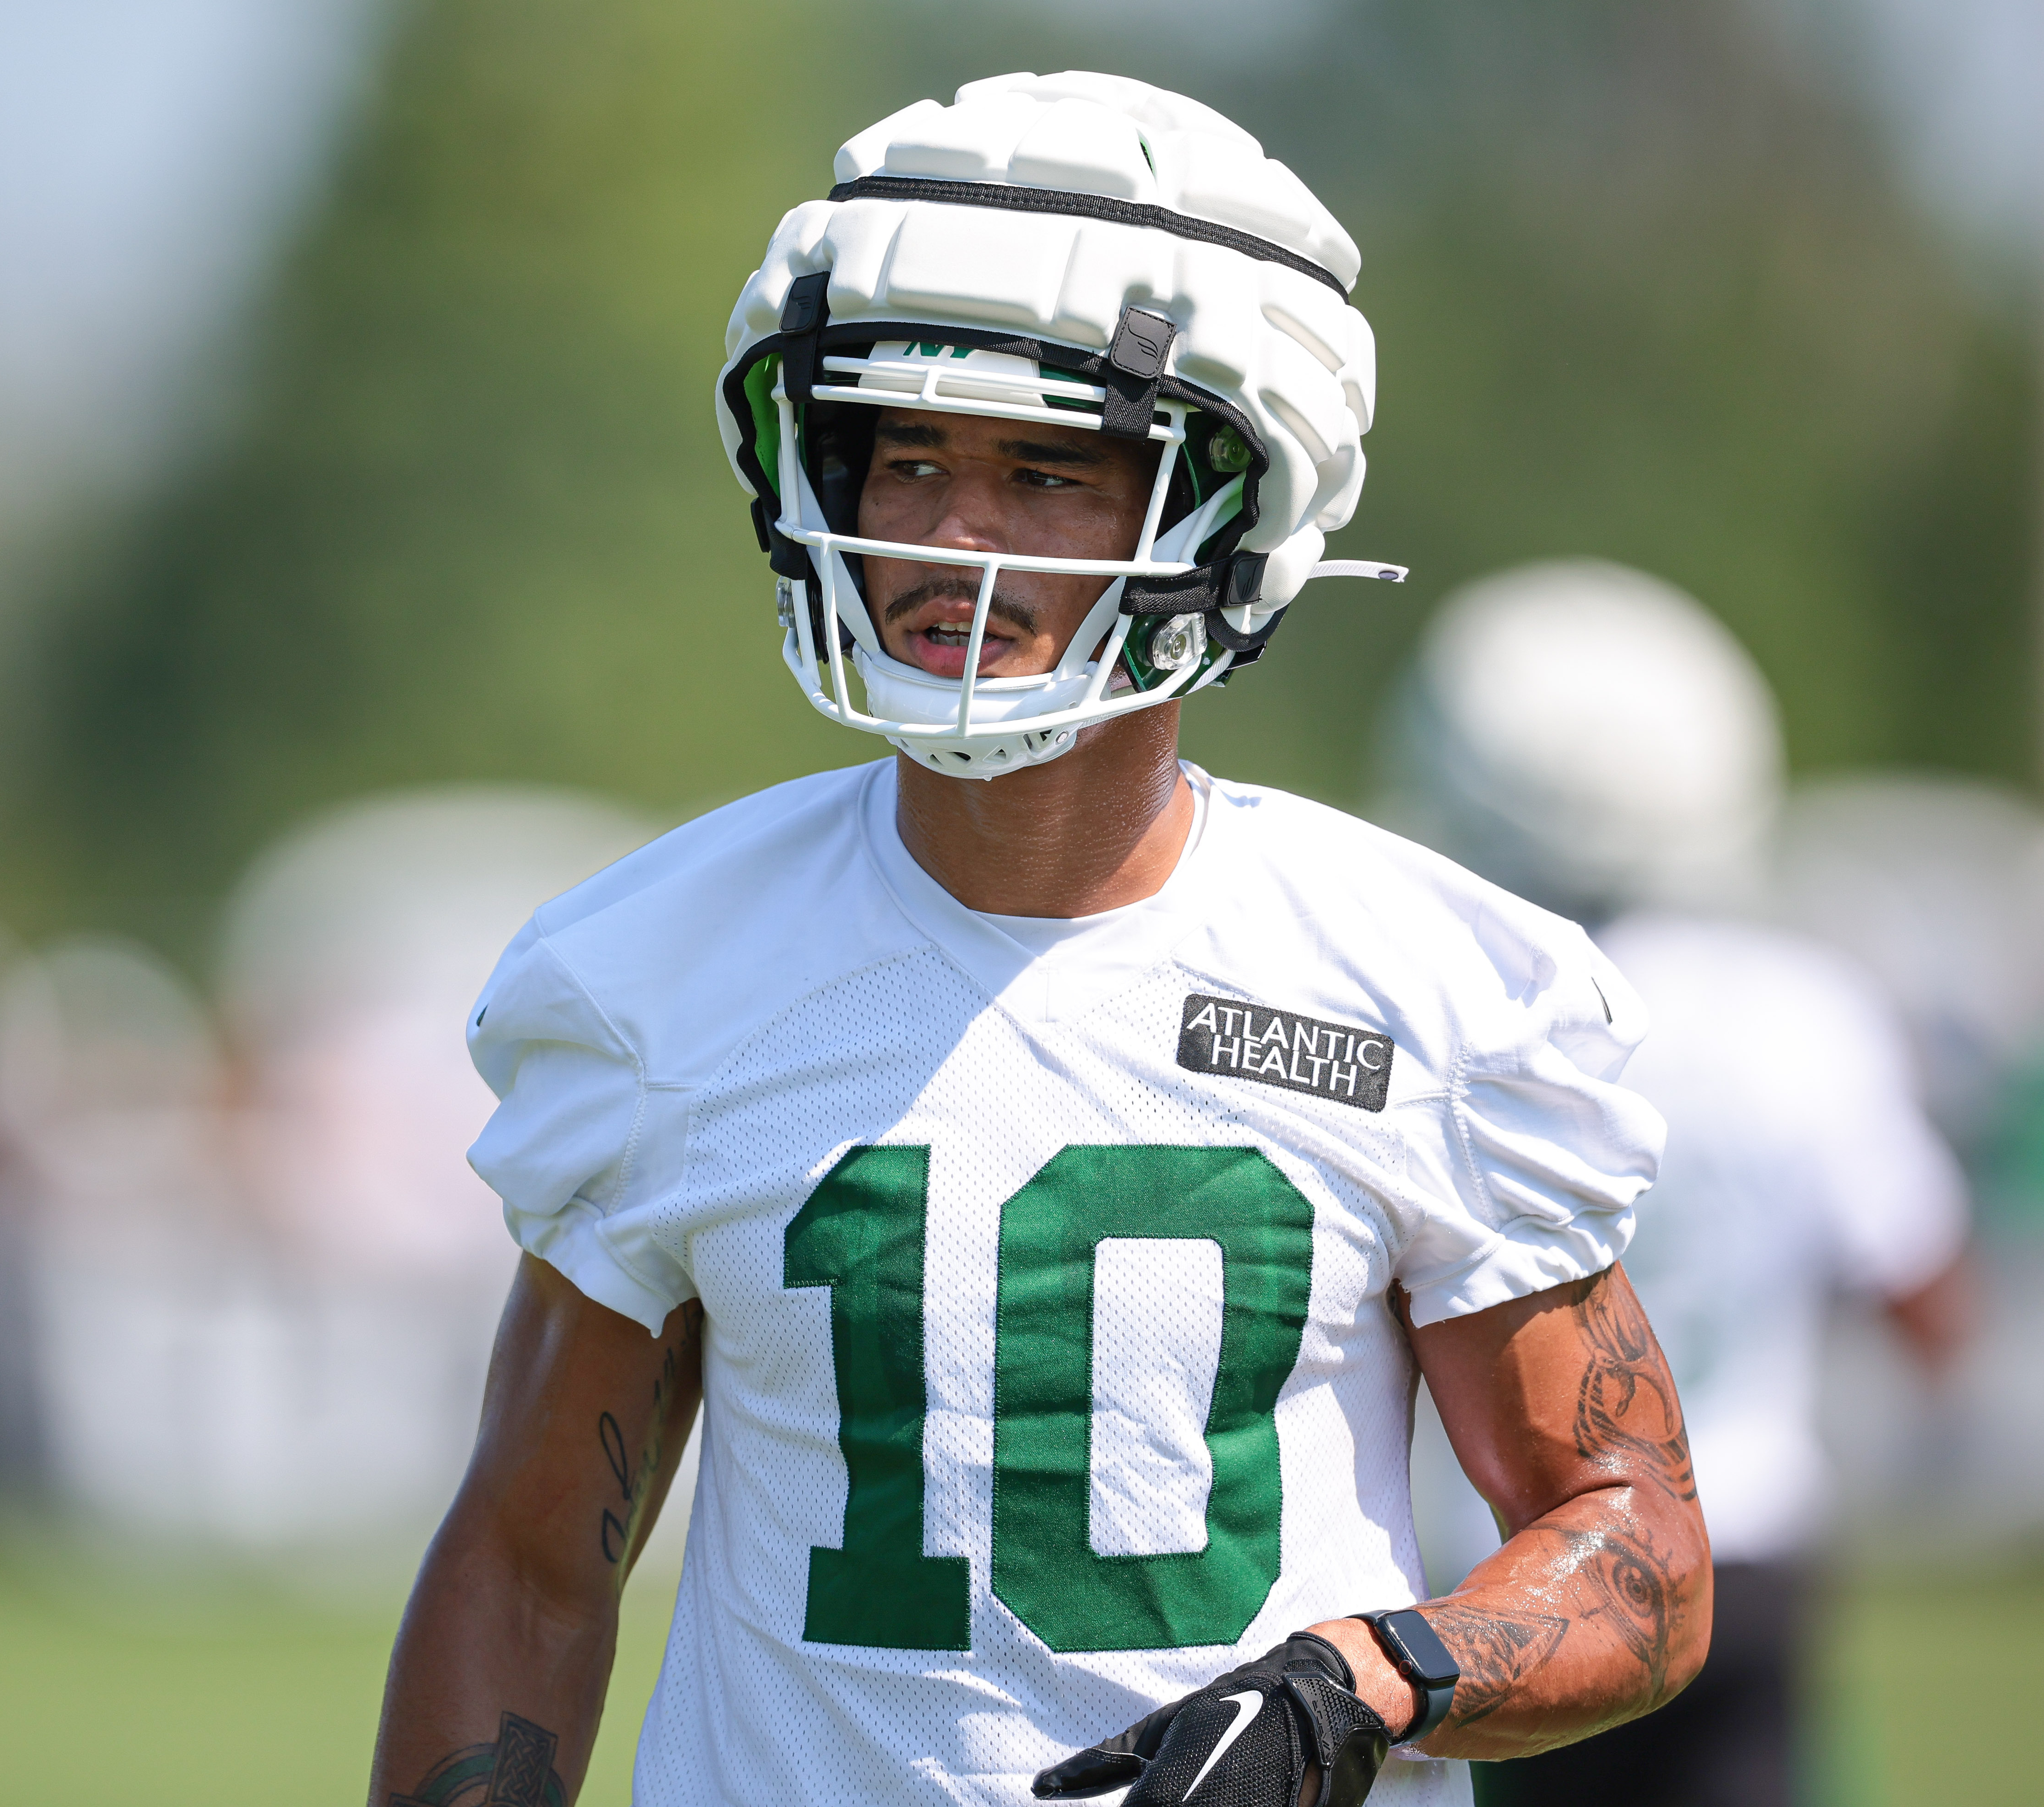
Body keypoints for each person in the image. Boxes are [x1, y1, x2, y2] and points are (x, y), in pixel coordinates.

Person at [370, 72, 1710, 1807]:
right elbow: (532, 1563)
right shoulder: (657, 977)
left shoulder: (1423, 983)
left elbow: (1641, 1545)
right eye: (906, 456)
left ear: (1234, 511)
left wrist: (1360, 1684)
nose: (951, 535)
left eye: (1048, 472)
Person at [1382, 561, 1974, 1807]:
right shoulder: (1803, 1011)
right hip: (1742, 1545)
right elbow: (1923, 1289)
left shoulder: (1454, 1012)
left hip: (1508, 1559)